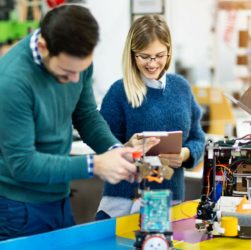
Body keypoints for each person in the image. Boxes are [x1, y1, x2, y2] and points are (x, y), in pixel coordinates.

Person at [0, 5, 145, 240]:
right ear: (43, 48)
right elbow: (23, 164)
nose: (75, 79)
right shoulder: (12, 82)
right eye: (66, 72)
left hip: (59, 198)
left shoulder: (77, 61)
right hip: (19, 208)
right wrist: (94, 165)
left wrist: (116, 150)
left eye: (83, 70)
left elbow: (86, 115)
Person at [96, 14, 205, 220]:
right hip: (123, 203)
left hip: (169, 202)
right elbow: (102, 146)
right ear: (132, 54)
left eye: (159, 55)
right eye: (145, 56)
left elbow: (198, 137)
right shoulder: (119, 92)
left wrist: (185, 154)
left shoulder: (181, 87)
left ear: (169, 51)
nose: (153, 63)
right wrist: (125, 149)